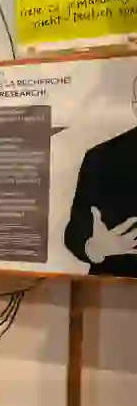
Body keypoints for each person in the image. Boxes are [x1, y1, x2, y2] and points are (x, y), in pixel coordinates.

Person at [63, 80, 137, 278]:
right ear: (135, 107)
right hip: (116, 283)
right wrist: (96, 248)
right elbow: (76, 229)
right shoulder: (103, 157)